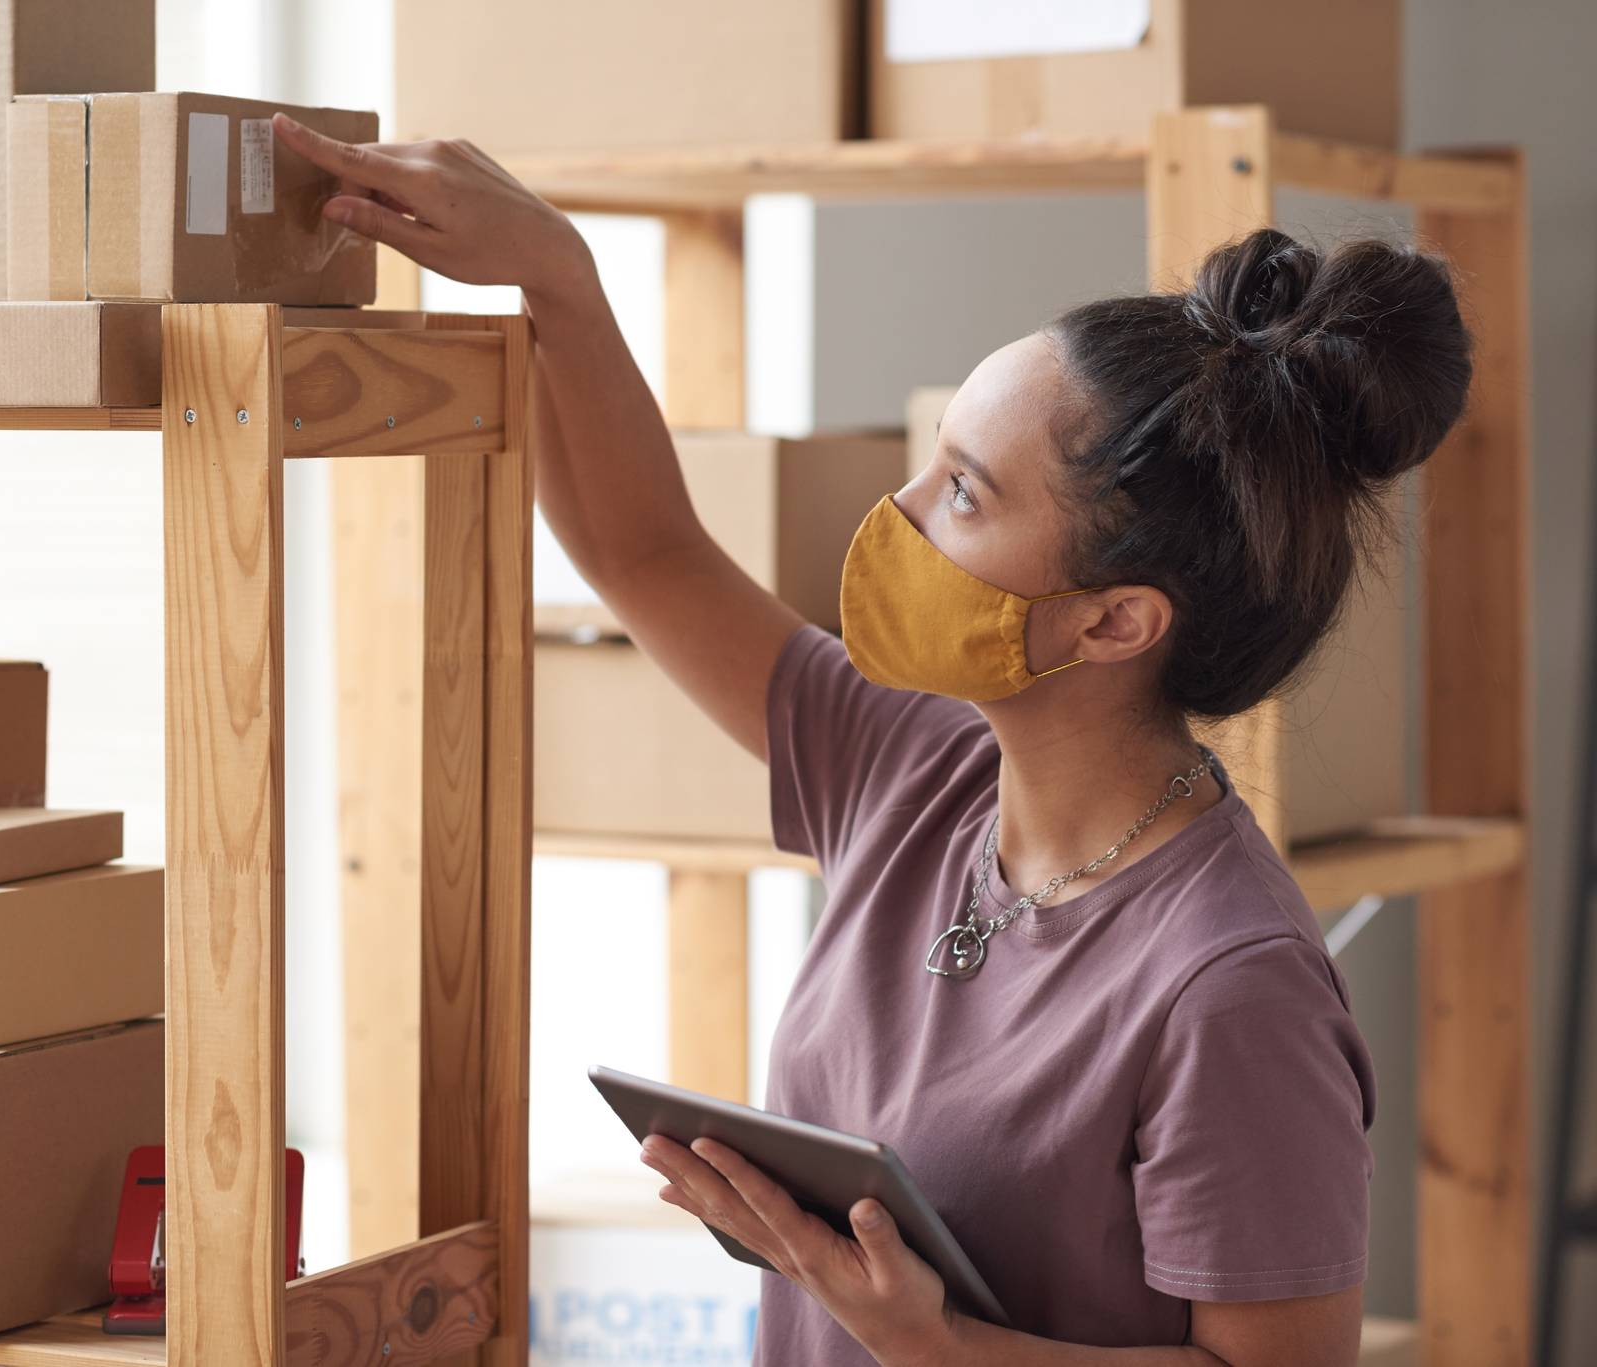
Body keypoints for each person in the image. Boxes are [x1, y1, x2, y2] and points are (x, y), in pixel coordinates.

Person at [270, 114, 1473, 1367]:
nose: (896, 515)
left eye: (962, 492)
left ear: (1114, 619)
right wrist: (557, 274)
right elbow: (646, 556)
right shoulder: (914, 768)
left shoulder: (1231, 984)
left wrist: (936, 1345)